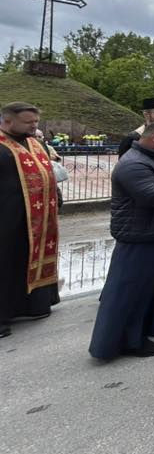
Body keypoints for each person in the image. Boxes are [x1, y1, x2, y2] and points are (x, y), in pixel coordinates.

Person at [89, 122, 154, 358]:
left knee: (150, 288)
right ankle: (129, 341)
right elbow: (150, 196)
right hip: (140, 237)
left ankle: (147, 326)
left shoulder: (153, 159)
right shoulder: (134, 163)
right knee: (131, 292)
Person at [0, 102, 60, 339]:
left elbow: (48, 174)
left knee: (26, 260)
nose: (34, 126)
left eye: (36, 122)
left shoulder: (35, 143)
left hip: (36, 220)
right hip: (6, 220)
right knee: (5, 266)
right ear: (7, 121)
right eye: (28, 122)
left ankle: (33, 305)